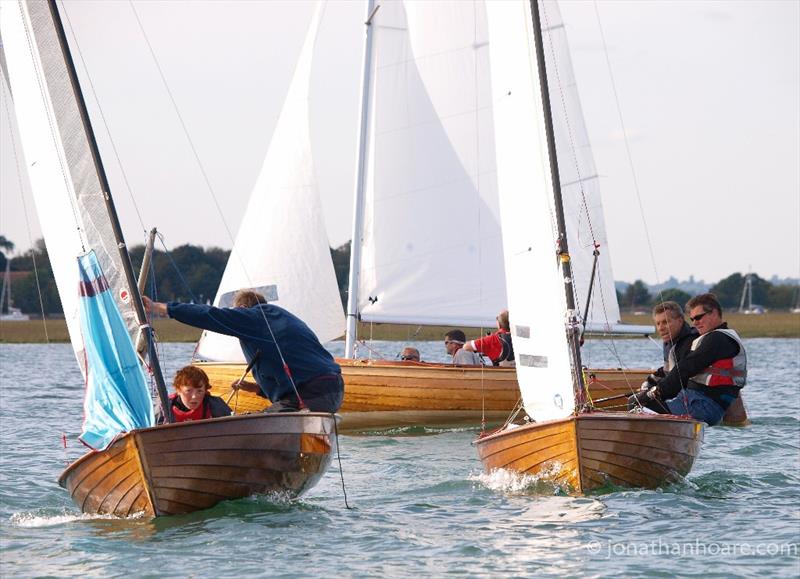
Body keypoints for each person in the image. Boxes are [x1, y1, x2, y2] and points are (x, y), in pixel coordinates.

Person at [143, 290, 344, 413]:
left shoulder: (252, 317)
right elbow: (296, 372)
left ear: (241, 309)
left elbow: (209, 315)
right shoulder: (284, 317)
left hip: (311, 394)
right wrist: (256, 389)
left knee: (259, 426)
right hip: (334, 391)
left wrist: (160, 308)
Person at [647, 293, 747, 426]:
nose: (695, 323)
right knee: (640, 403)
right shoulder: (709, 338)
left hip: (704, 405)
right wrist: (651, 386)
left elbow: (686, 368)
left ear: (715, 313)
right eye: (693, 319)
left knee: (640, 405)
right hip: (697, 401)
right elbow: (678, 370)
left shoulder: (717, 339)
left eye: (699, 317)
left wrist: (657, 391)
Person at [628, 301, 698, 413]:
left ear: (680, 320)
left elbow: (679, 378)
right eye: (658, 323)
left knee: (635, 403)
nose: (661, 328)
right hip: (672, 392)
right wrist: (649, 383)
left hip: (691, 399)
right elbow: (667, 370)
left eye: (665, 322)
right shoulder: (669, 341)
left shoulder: (691, 342)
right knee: (634, 399)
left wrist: (653, 392)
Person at [156, 365, 232, 424]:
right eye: (188, 391)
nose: (194, 396)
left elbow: (234, 424)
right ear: (178, 390)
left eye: (199, 391)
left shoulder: (215, 405)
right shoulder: (165, 407)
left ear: (205, 390)